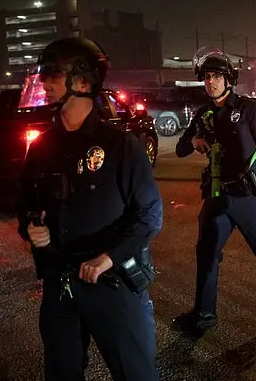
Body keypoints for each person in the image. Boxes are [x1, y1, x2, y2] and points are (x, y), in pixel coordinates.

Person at [16, 37, 163, 381]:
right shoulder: (40, 148)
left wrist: (109, 257)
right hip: (60, 286)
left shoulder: (120, 146)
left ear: (83, 82)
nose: (45, 84)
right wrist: (30, 226)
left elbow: (149, 216)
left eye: (54, 75)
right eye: (44, 76)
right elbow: (25, 204)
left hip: (112, 285)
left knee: (135, 373)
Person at [172, 47, 256, 335]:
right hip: (217, 198)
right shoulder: (203, 114)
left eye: (217, 76)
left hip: (250, 200)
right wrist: (194, 140)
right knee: (206, 255)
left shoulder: (248, 110)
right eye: (206, 77)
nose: (211, 82)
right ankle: (204, 314)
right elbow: (180, 148)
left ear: (229, 79)